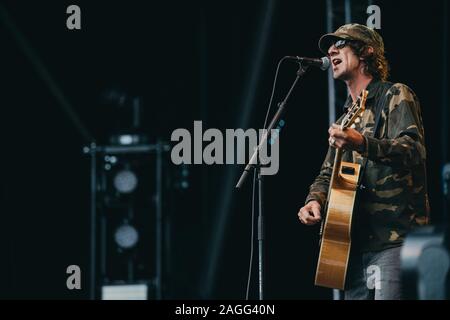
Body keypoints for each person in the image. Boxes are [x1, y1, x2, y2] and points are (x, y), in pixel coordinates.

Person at [297, 23, 430, 300]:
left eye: (341, 44)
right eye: (331, 47)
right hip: (351, 245)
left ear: (366, 52)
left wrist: (362, 143)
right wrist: (314, 201)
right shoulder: (346, 117)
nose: (331, 50)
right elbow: (326, 173)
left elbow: (414, 150)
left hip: (392, 241)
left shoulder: (395, 94)